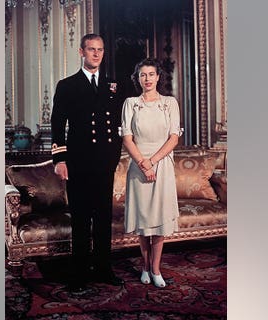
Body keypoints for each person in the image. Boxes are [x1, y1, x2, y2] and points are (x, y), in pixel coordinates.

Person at [50, 33, 125, 294]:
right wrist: (60, 159)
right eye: (91, 49)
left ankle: (104, 268)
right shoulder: (67, 85)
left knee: (103, 217)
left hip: (105, 162)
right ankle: (79, 273)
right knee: (81, 219)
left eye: (100, 50)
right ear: (81, 52)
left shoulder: (113, 85)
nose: (96, 54)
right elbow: (57, 123)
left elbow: (119, 125)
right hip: (79, 162)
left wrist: (115, 156)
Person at [120, 58, 180, 288]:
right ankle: (144, 266)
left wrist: (153, 162)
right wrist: (143, 164)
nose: (147, 79)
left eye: (151, 74)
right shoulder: (131, 103)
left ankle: (156, 269)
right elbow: (127, 137)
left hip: (162, 165)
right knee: (144, 220)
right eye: (143, 74)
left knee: (160, 221)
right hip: (138, 165)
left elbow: (174, 137)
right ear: (138, 78)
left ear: (158, 77)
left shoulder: (169, 103)